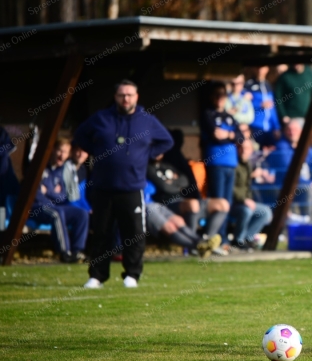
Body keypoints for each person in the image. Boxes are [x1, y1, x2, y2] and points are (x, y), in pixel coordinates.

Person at [73, 80, 174, 288]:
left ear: (137, 97)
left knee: (134, 234)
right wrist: (96, 150)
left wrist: (148, 154)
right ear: (115, 97)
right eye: (121, 95)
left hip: (132, 188)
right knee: (101, 233)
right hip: (103, 186)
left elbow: (167, 141)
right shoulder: (102, 118)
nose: (125, 99)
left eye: (129, 95)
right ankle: (97, 276)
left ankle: (132, 275)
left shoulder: (147, 121)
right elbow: (80, 135)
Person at [28, 138, 89, 263]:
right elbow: (36, 194)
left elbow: (63, 196)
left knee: (82, 214)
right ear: (52, 150)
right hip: (36, 208)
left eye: (65, 152)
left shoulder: (61, 171)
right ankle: (64, 252)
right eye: (60, 151)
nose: (62, 155)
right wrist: (53, 193)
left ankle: (77, 251)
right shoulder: (40, 167)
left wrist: (48, 191)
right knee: (57, 213)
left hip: (54, 206)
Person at [201, 82, 243, 238]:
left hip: (231, 164)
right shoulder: (208, 114)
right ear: (212, 97)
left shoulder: (229, 117)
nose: (220, 98)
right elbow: (216, 136)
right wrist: (231, 136)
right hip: (216, 163)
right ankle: (215, 235)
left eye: (223, 95)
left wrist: (229, 134)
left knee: (228, 201)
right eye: (216, 95)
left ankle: (223, 236)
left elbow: (240, 137)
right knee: (218, 202)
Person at [231, 139, 273, 250]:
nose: (243, 151)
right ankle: (238, 240)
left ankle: (248, 237)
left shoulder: (248, 164)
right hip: (234, 203)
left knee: (266, 212)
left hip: (246, 201)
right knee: (247, 211)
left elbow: (246, 185)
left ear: (251, 150)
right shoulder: (233, 164)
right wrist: (244, 199)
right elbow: (231, 187)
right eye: (241, 148)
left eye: (247, 148)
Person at [144, 200, 220, 258]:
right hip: (145, 208)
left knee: (179, 221)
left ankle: (201, 241)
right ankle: (198, 247)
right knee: (169, 227)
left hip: (156, 204)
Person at [246, 66, 281, 148]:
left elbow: (272, 108)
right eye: (257, 67)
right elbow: (245, 104)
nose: (260, 70)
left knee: (271, 150)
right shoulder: (249, 85)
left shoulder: (268, 85)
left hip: (269, 128)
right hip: (255, 126)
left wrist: (276, 127)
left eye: (262, 67)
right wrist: (259, 105)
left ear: (267, 69)